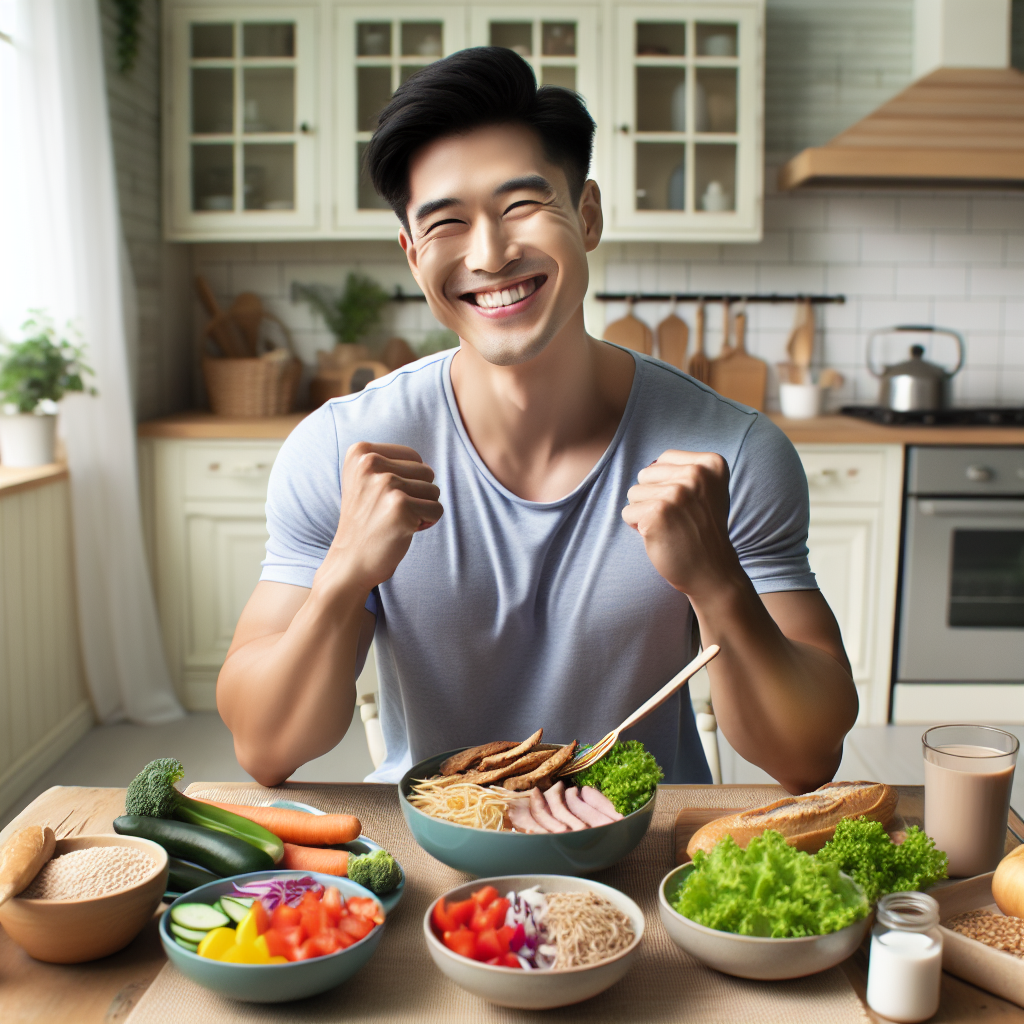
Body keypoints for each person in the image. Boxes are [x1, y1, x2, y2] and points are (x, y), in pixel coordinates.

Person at [217, 47, 858, 794]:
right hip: (432, 849)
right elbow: (265, 749)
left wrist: (719, 584)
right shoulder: (339, 449)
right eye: (447, 223)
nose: (489, 254)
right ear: (411, 252)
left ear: (586, 216)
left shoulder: (733, 453)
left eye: (521, 206)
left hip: (644, 847)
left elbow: (806, 757)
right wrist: (344, 573)